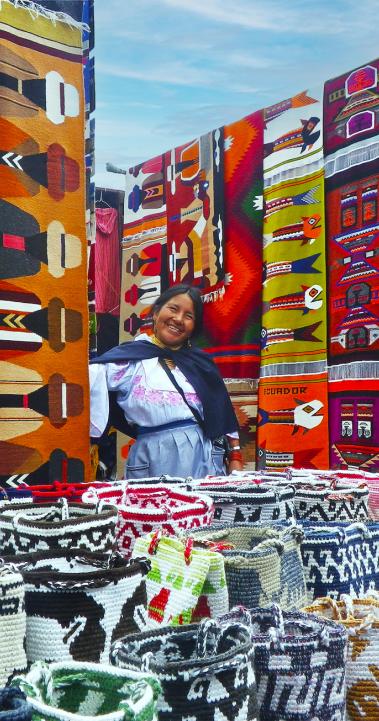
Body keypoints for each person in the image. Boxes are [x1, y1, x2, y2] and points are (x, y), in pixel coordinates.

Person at [90, 284, 243, 479]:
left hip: (204, 459)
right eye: (173, 309)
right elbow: (90, 377)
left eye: (189, 316)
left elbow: (223, 413)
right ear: (155, 312)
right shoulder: (130, 359)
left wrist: (235, 457)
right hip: (153, 458)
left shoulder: (201, 364)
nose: (178, 319)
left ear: (194, 327)